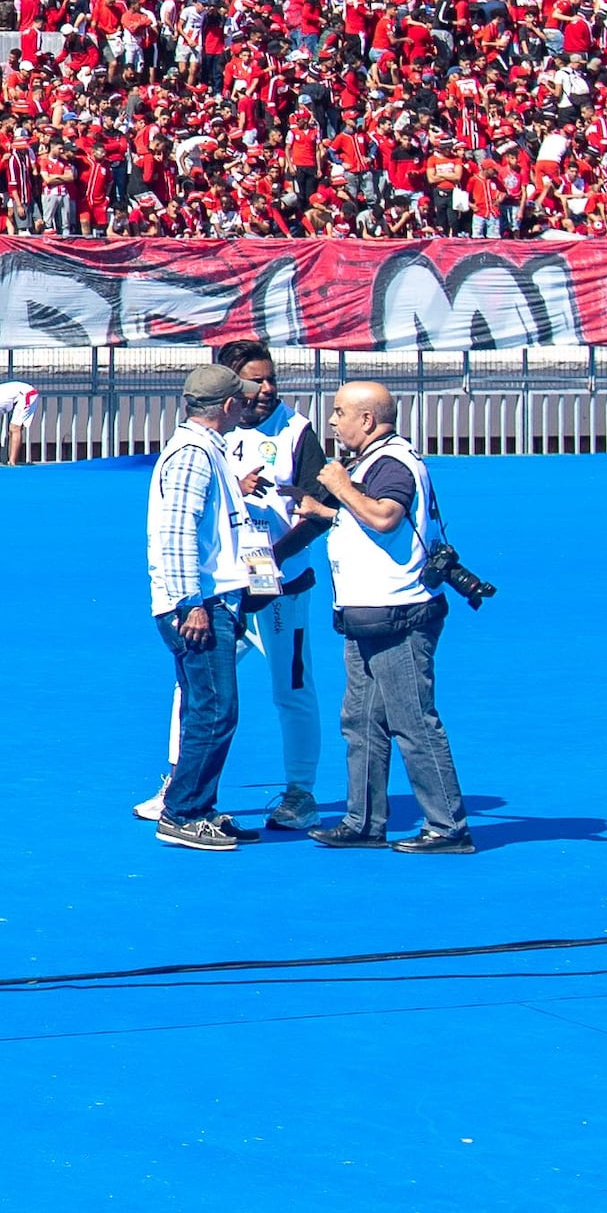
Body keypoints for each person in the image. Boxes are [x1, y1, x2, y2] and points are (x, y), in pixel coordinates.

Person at [302, 382, 474, 853]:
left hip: (398, 614)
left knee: (412, 722)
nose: (333, 422)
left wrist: (338, 488)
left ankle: (448, 827)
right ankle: (363, 820)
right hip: (368, 614)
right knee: (360, 721)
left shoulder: (391, 463)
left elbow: (384, 517)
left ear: (368, 421)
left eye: (339, 413)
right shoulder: (374, 461)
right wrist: (324, 508)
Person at [211, 336, 328, 838]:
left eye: (271, 377)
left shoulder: (297, 432)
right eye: (256, 380)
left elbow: (323, 510)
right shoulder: (209, 432)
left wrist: (273, 559)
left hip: (280, 586)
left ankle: (300, 794)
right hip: (222, 587)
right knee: (197, 688)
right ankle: (179, 785)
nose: (267, 388)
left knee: (292, 689)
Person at [138, 362, 252, 850]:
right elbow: (178, 533)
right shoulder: (194, 454)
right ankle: (183, 810)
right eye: (242, 400)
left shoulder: (202, 451)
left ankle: (196, 804)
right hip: (198, 603)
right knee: (214, 708)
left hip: (202, 599)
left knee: (206, 707)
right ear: (227, 405)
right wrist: (192, 604)